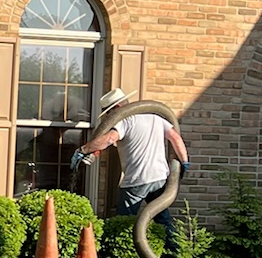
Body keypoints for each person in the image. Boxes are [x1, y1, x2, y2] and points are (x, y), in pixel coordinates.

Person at [74, 88, 188, 229]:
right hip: (159, 178)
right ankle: (174, 249)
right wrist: (184, 162)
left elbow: (109, 139)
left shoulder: (124, 122)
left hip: (136, 180)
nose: (108, 118)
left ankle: (123, 249)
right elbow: (176, 138)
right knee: (162, 219)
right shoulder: (156, 118)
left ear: (116, 108)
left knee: (124, 222)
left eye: (108, 113)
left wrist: (83, 149)